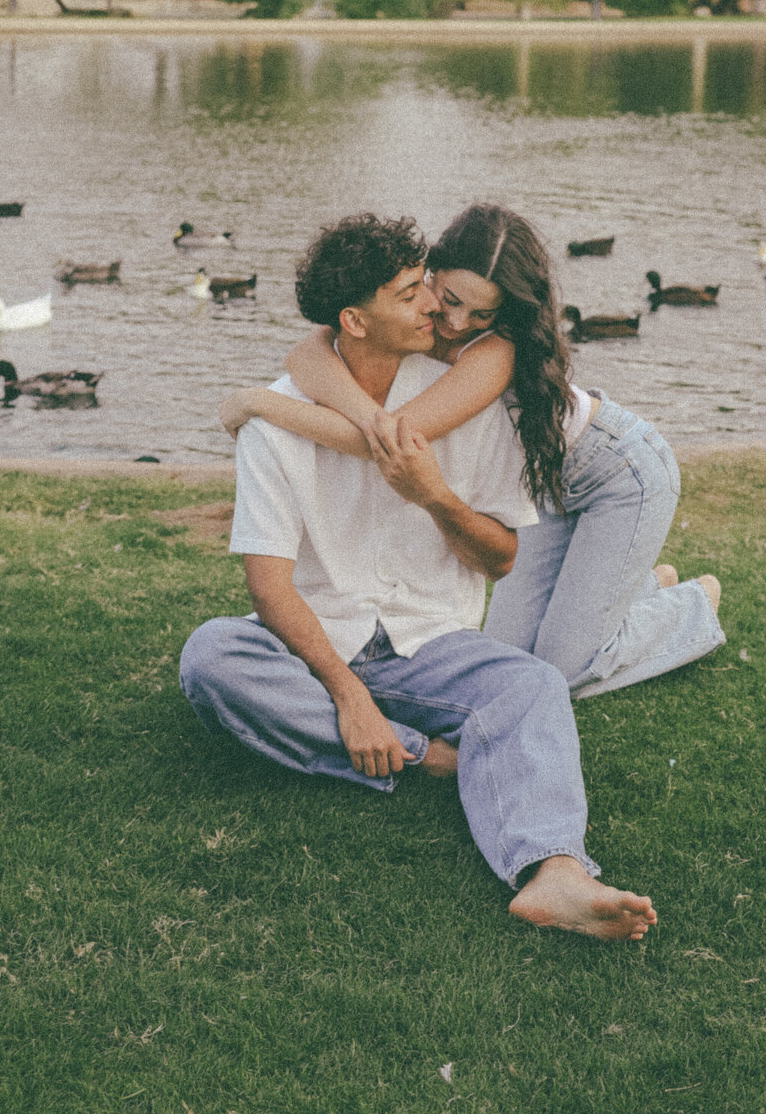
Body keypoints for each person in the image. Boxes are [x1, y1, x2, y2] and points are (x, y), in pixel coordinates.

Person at [182, 212, 657, 942]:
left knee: (535, 683)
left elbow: (501, 557)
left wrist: (434, 495)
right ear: (356, 319)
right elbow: (269, 588)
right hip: (319, 640)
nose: (437, 309)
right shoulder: (283, 420)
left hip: (432, 636)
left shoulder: (474, 383)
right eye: (415, 294)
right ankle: (428, 757)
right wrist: (348, 697)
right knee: (212, 658)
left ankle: (556, 871)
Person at [222, 204, 724, 701]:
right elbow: (309, 353)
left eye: (482, 312)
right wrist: (366, 414)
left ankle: (692, 607)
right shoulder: (413, 323)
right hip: (536, 487)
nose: (457, 323)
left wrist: (262, 404)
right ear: (430, 273)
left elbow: (390, 443)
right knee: (512, 660)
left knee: (562, 673)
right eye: (450, 298)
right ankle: (630, 591)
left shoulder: (493, 352)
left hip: (615, 470)